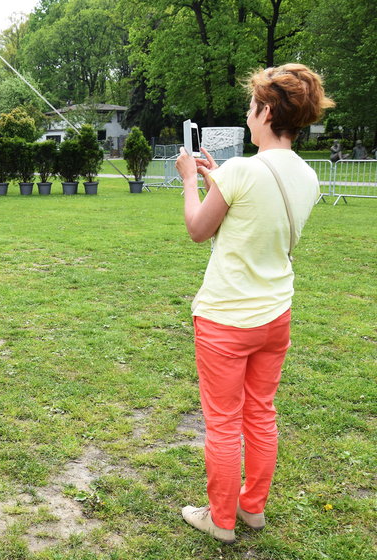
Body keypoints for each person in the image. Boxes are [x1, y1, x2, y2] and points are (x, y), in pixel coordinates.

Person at [175, 64, 334, 544]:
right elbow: (251, 215)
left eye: (251, 106)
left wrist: (189, 179)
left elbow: (200, 229)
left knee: (223, 424)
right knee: (261, 413)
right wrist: (215, 178)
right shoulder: (307, 177)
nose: (248, 115)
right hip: (276, 315)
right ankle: (252, 509)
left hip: (226, 319)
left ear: (267, 111)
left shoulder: (243, 169)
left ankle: (220, 519)